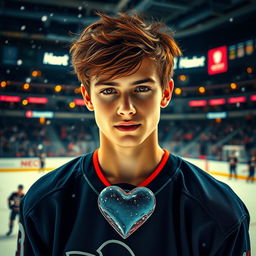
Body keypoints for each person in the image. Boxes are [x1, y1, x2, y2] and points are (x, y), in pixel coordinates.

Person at [16, 12, 250, 255]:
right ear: (87, 97)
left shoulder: (220, 213)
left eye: (141, 88)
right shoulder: (44, 205)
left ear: (166, 93)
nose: (126, 108)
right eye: (109, 90)